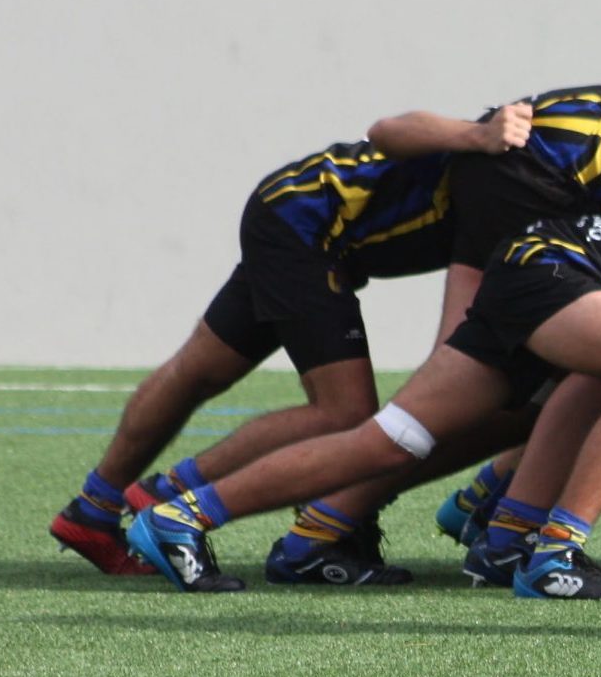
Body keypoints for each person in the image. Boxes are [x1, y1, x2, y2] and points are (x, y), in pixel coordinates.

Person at [48, 104, 534, 578]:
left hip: (296, 214)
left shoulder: (552, 161)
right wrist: (479, 134)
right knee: (345, 413)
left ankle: (93, 508)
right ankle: (165, 497)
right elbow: (387, 128)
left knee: (200, 371)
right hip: (307, 226)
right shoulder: (526, 150)